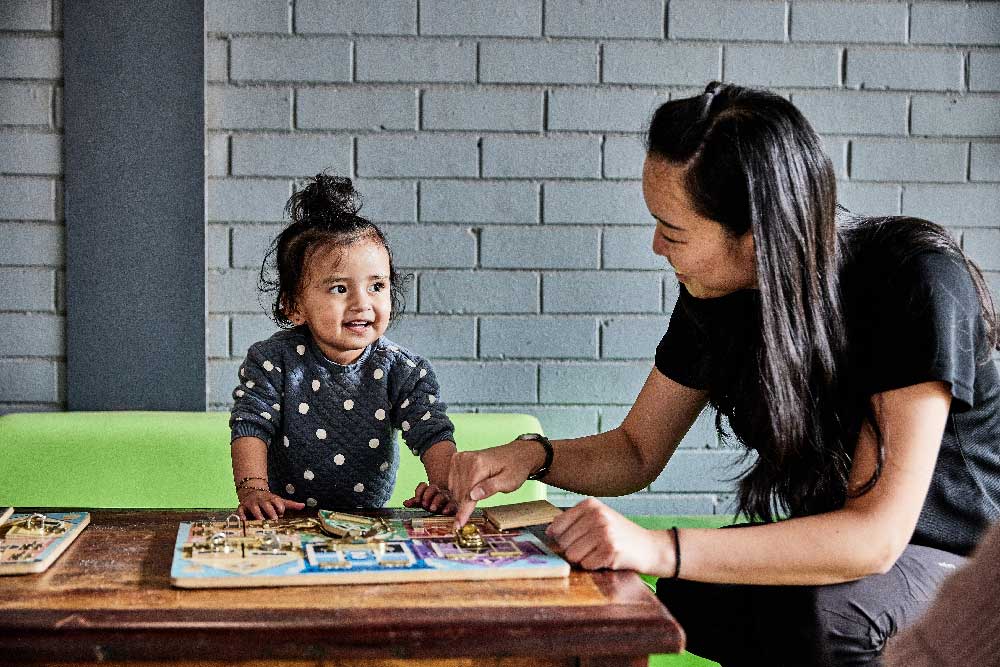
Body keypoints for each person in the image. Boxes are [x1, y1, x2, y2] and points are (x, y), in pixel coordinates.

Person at [447, 82, 1000, 666]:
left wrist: (658, 546)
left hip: (963, 563)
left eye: (674, 230)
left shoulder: (915, 282)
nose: (656, 245)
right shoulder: (717, 294)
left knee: (824, 612)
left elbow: (875, 537)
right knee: (698, 594)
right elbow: (636, 449)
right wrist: (535, 456)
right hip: (859, 561)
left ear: (759, 238)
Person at [230, 174, 456, 520]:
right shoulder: (272, 361)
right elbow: (251, 425)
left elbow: (431, 431)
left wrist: (444, 487)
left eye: (377, 285)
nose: (362, 303)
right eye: (339, 288)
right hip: (286, 518)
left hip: (368, 522)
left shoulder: (403, 371)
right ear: (293, 306)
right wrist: (254, 489)